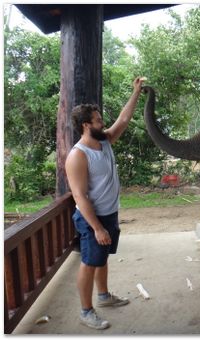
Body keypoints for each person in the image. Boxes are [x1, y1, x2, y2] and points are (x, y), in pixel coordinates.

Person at [65, 76, 146, 330]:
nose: (103, 123)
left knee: (102, 258)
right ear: (86, 125)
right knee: (90, 262)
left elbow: (123, 119)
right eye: (99, 120)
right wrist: (97, 228)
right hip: (93, 219)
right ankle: (86, 311)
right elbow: (80, 197)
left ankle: (103, 297)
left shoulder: (104, 141)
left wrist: (136, 92)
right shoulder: (78, 155)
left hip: (109, 214)